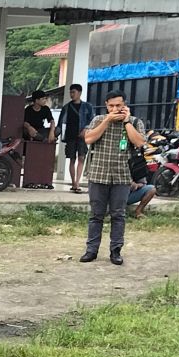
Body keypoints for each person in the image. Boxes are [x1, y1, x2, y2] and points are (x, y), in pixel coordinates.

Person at [80, 90, 145, 265]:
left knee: (118, 215)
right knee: (96, 215)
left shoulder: (135, 122)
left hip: (122, 177)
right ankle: (91, 250)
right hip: (98, 175)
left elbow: (139, 143)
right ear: (106, 106)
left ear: (125, 105)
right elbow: (88, 139)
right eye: (111, 106)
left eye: (119, 105)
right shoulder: (98, 120)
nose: (115, 108)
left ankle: (115, 251)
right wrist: (107, 120)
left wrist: (126, 122)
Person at [59, 84, 94, 193]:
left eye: (73, 92)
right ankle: (73, 182)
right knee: (72, 159)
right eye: (71, 92)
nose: (71, 94)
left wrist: (86, 129)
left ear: (79, 93)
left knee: (81, 158)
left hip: (83, 137)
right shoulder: (66, 107)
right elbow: (60, 123)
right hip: (70, 136)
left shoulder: (88, 107)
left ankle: (77, 182)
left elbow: (93, 121)